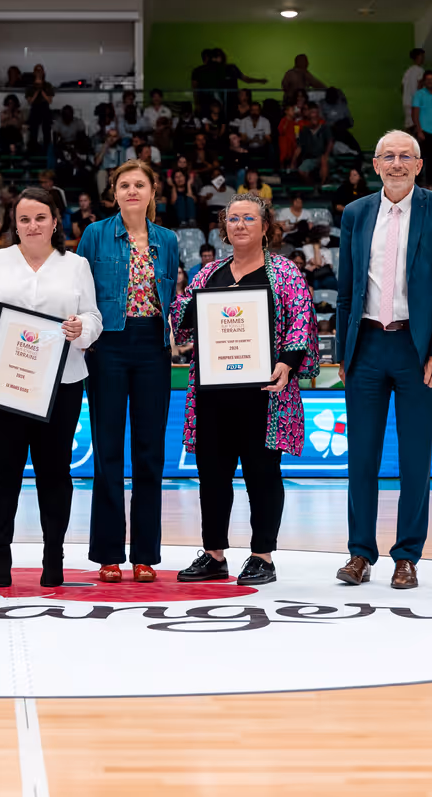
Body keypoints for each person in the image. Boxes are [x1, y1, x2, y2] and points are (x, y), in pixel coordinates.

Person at [169, 195, 319, 585]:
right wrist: (184, 308)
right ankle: (214, 554)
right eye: (232, 219)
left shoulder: (284, 273)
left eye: (248, 218)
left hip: (265, 396)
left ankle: (262, 556)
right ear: (224, 227)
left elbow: (302, 323)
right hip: (212, 396)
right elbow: (181, 321)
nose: (239, 225)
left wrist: (287, 363)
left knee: (262, 474)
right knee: (212, 475)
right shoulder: (208, 274)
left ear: (265, 226)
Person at [0, 187, 101, 588]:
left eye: (41, 217)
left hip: (61, 385)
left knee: (55, 474)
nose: (32, 225)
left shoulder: (75, 265)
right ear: (15, 224)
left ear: (56, 221)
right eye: (24, 218)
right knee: (1, 473)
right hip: (4, 386)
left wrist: (82, 329)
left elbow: (93, 317)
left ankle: (53, 557)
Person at [334, 130, 432, 590]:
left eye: (406, 156)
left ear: (420, 166)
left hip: (416, 350)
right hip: (365, 347)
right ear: (376, 164)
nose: (397, 163)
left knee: (416, 458)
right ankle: (360, 553)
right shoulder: (356, 213)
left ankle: (407, 556)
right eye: (389, 156)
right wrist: (344, 350)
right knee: (361, 457)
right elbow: (345, 291)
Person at [76, 160, 179, 581]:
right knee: (108, 452)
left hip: (154, 345)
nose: (132, 190)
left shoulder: (168, 239)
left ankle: (145, 555)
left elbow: (173, 296)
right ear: (113, 192)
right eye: (124, 185)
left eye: (140, 184)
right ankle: (107, 553)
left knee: (150, 454)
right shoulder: (95, 234)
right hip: (107, 346)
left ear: (153, 191)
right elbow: (78, 293)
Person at [411, 71, 432, 187]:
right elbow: (415, 113)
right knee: (421, 160)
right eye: (428, 79)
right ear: (425, 81)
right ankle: (418, 184)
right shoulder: (419, 95)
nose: (430, 81)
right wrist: (419, 130)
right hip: (423, 132)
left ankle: (430, 183)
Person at [26, 64, 56, 149]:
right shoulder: (30, 87)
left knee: (46, 129)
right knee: (33, 129)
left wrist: (42, 91)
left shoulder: (47, 85)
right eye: (37, 71)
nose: (39, 73)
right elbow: (30, 101)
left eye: (40, 71)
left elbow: (49, 100)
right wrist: (36, 92)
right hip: (35, 108)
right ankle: (33, 147)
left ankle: (47, 147)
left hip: (44, 107)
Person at [402, 48, 427, 128]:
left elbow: (402, 87)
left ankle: (406, 140)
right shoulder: (420, 70)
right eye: (422, 56)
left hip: (406, 102)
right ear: (417, 57)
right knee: (417, 125)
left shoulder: (408, 71)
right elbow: (420, 86)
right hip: (415, 103)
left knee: (409, 125)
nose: (423, 58)